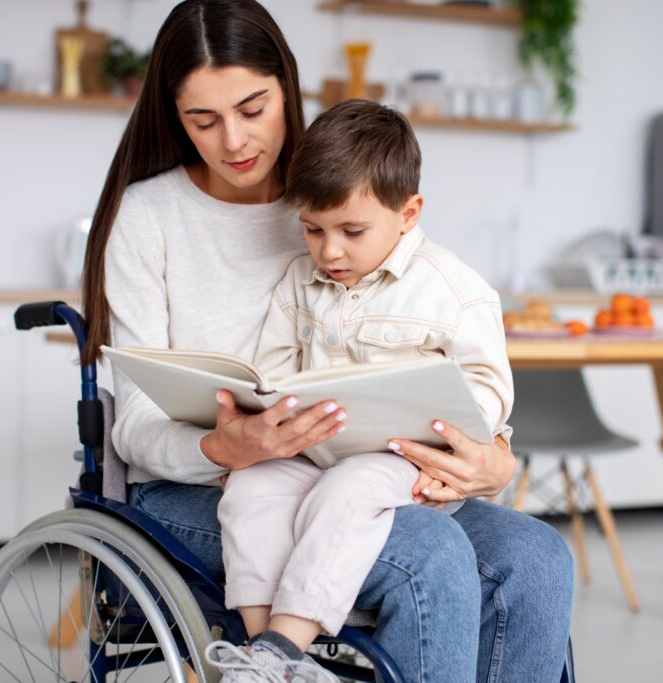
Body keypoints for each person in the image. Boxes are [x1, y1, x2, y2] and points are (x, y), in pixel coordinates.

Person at [81, 1, 574, 681]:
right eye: (204, 120)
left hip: (355, 467)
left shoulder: (335, 195)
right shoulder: (150, 218)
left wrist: (492, 459)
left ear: (287, 86)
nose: (233, 141)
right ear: (174, 118)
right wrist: (220, 447)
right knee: (426, 554)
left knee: (538, 557)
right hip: (198, 487)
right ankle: (272, 658)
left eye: (253, 109)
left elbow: (428, 338)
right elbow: (134, 425)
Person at [209, 98, 516, 680]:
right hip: (313, 452)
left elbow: (488, 390)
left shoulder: (453, 290)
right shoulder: (299, 281)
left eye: (352, 231)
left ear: (408, 212)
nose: (329, 251)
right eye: (312, 230)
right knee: (249, 487)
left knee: (349, 490)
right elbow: (271, 369)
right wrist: (258, 409)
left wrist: (457, 438)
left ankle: (285, 645)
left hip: (397, 461)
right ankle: (258, 659)